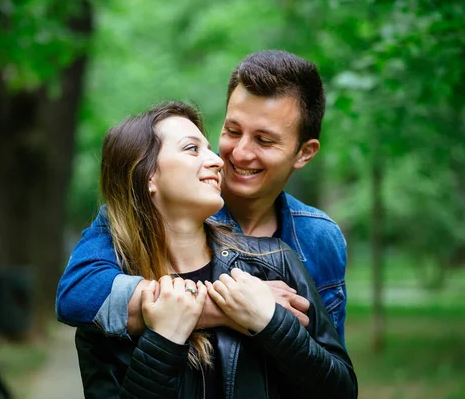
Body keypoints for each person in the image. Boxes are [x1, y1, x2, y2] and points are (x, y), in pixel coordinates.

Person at [57, 49, 348, 345]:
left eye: (264, 140)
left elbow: (327, 362)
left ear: (304, 153)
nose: (239, 153)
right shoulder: (156, 210)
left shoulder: (319, 237)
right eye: (233, 131)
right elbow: (76, 295)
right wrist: (227, 307)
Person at [75, 101, 356, 398]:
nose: (219, 160)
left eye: (209, 148)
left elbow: (341, 391)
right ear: (148, 177)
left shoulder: (276, 262)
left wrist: (269, 322)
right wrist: (163, 341)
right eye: (192, 149)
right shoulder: (107, 311)